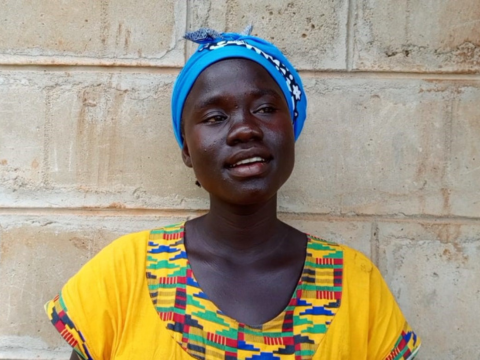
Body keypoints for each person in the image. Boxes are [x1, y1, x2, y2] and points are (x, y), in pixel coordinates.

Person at [45, 27, 421, 360]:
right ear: (188, 151)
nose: (244, 129)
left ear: (291, 129)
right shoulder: (123, 275)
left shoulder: (356, 284)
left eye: (265, 108)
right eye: (215, 117)